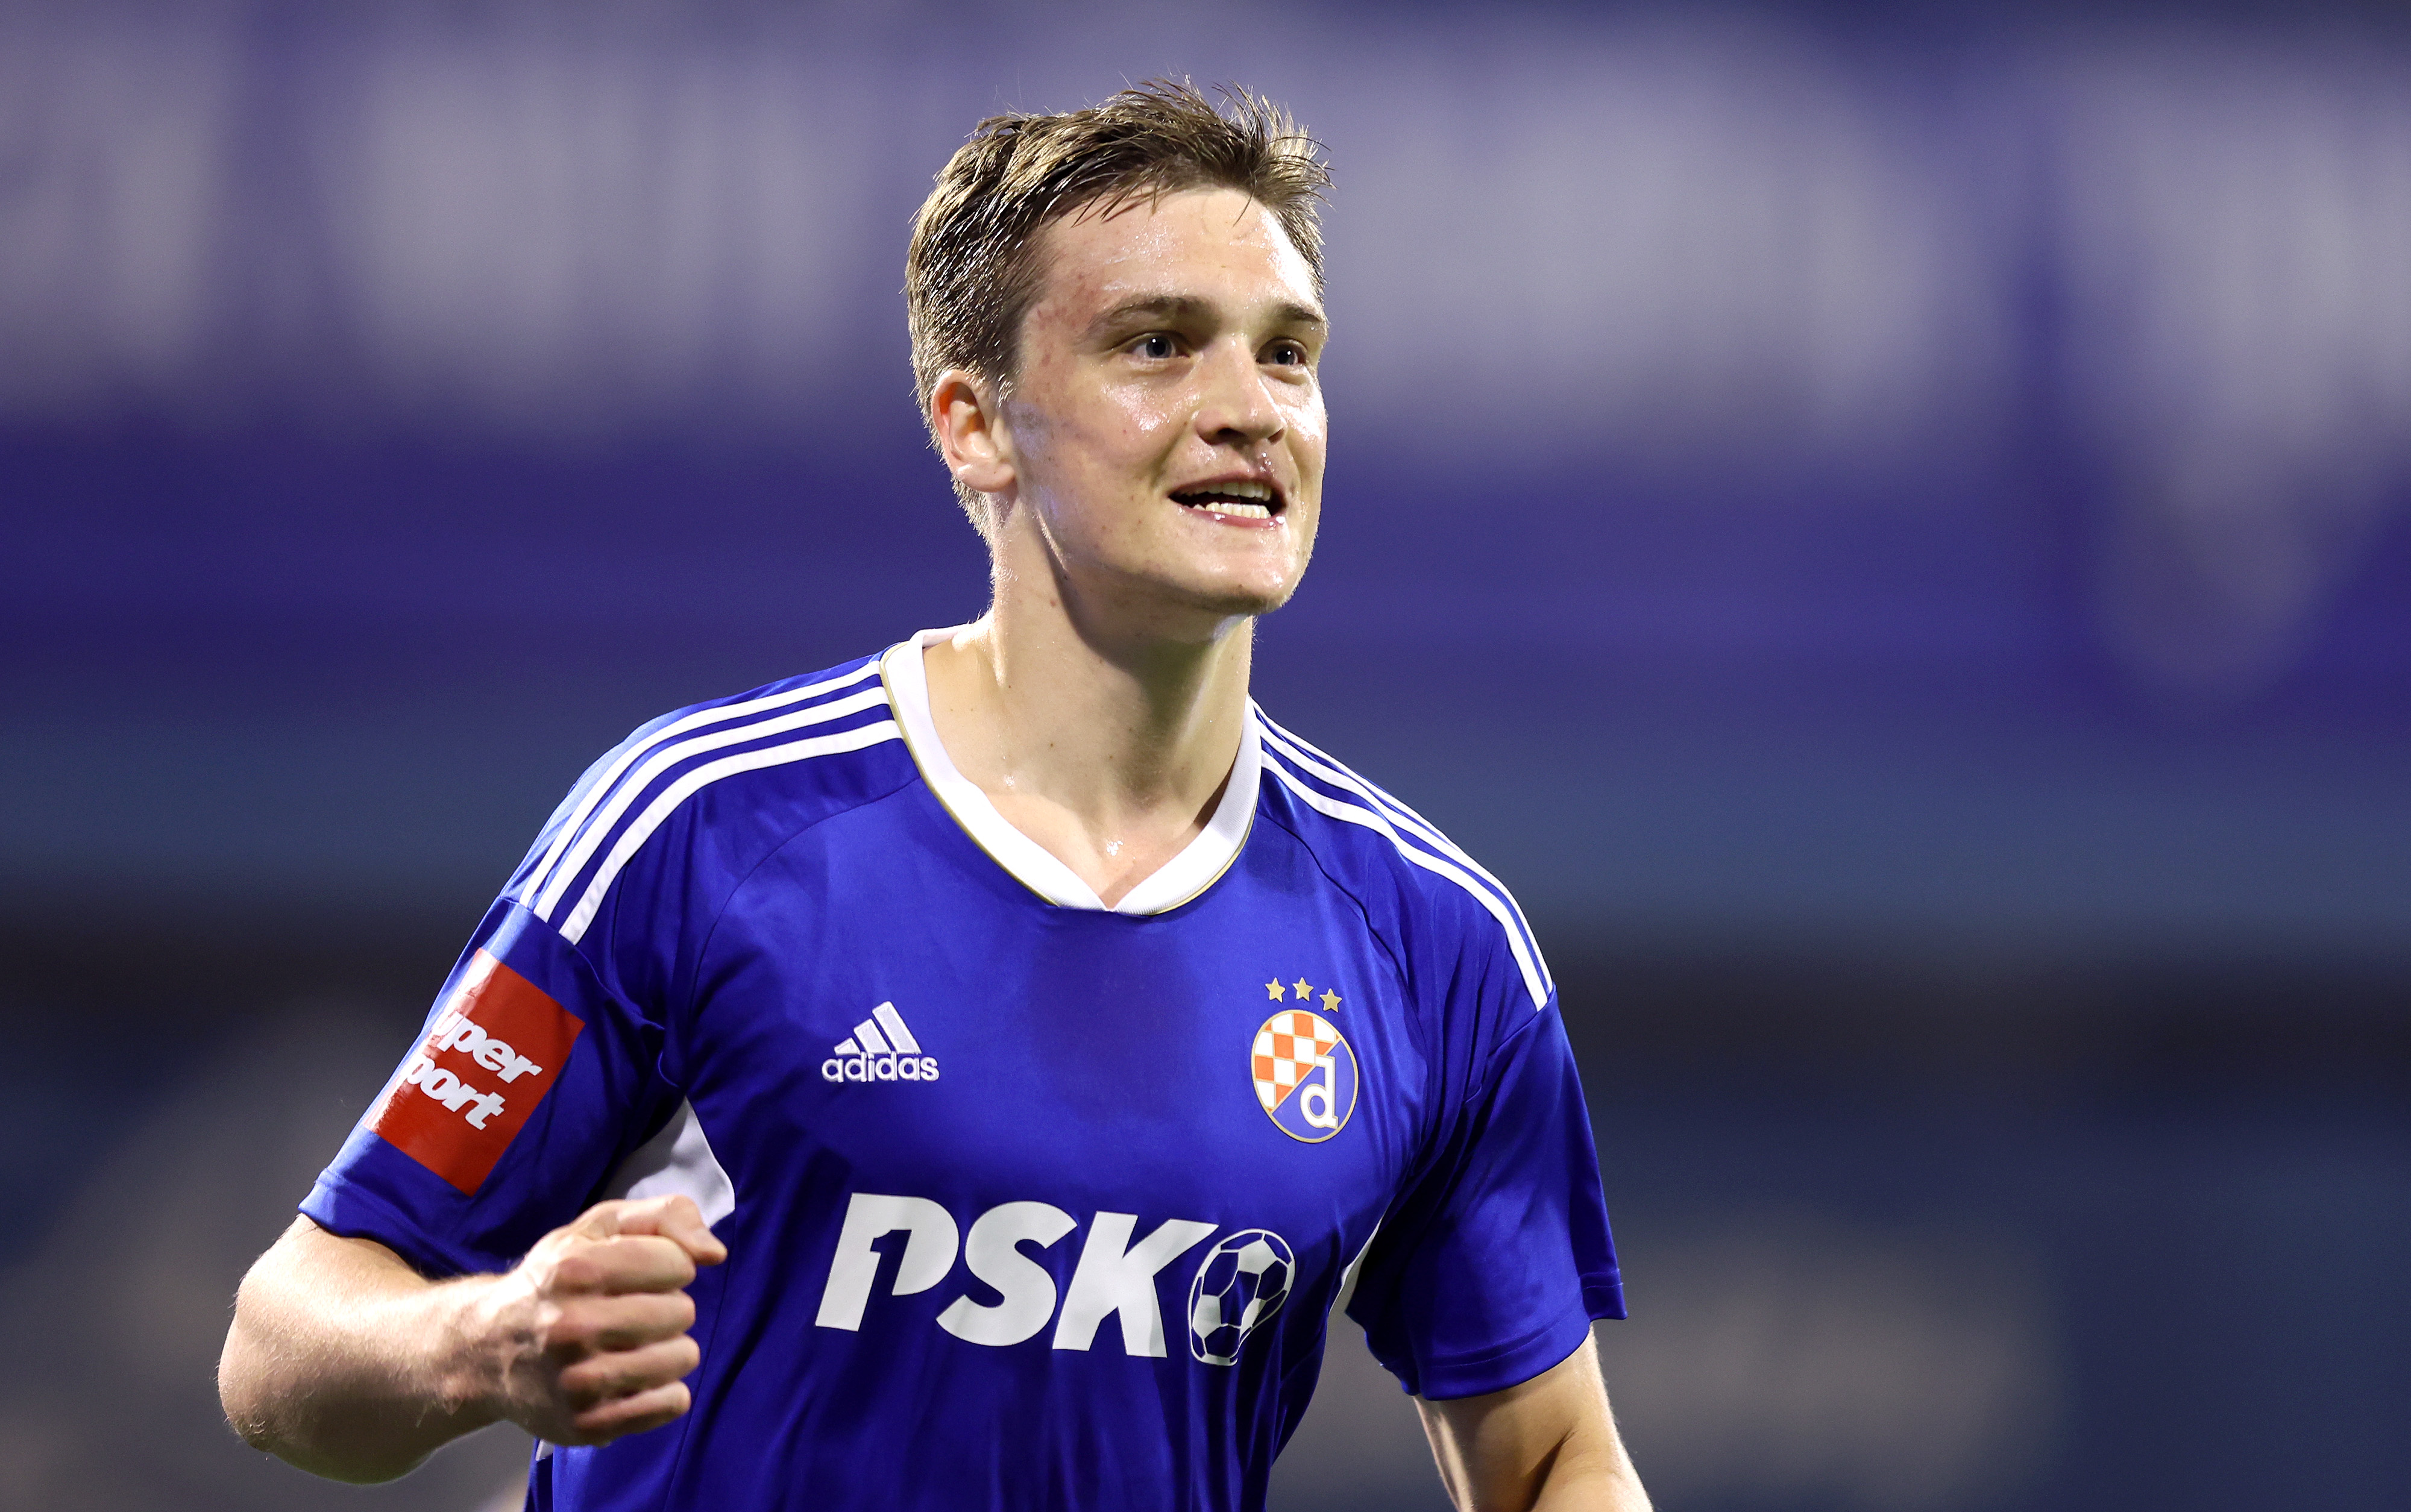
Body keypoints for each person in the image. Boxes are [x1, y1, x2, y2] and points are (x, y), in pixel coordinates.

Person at [218, 79, 1650, 1512]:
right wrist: (484, 1341)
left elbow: (1550, 1462)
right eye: (1156, 345)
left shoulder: (1432, 941)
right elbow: (280, 1353)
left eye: (1285, 354)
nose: (1246, 410)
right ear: (974, 425)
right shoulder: (705, 833)